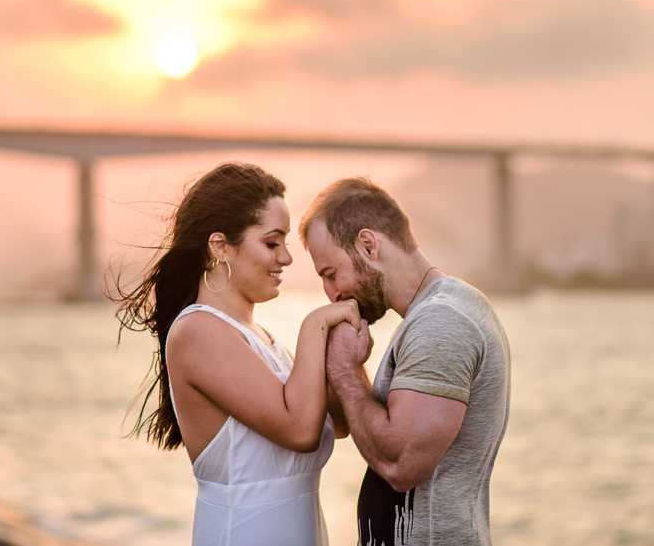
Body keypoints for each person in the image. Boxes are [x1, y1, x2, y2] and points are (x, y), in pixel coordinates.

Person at [116, 162, 363, 546]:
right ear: (220, 247)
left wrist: (343, 344)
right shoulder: (198, 331)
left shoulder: (262, 339)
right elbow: (300, 430)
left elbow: (341, 422)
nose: (286, 258)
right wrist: (314, 326)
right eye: (271, 242)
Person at [299, 176, 512, 546]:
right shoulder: (437, 311)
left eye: (330, 273)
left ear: (368, 245)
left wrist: (345, 369)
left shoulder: (441, 321)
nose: (331, 293)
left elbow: (401, 464)